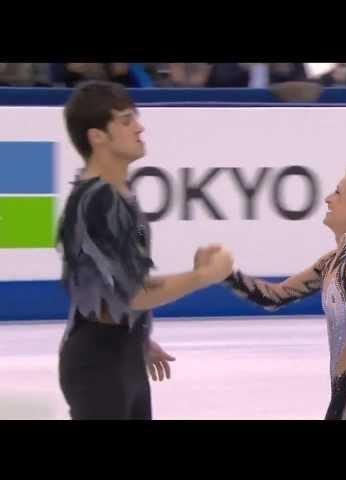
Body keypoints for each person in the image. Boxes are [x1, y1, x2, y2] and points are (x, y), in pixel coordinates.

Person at [56, 80, 233, 420]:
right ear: (98, 137)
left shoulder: (123, 196)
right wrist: (203, 277)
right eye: (125, 121)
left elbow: (124, 280)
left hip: (123, 354)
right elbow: (132, 293)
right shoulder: (97, 203)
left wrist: (138, 336)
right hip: (98, 364)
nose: (139, 127)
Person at [222, 168, 346, 419]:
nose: (328, 199)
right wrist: (227, 275)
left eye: (339, 193)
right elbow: (276, 296)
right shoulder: (333, 262)